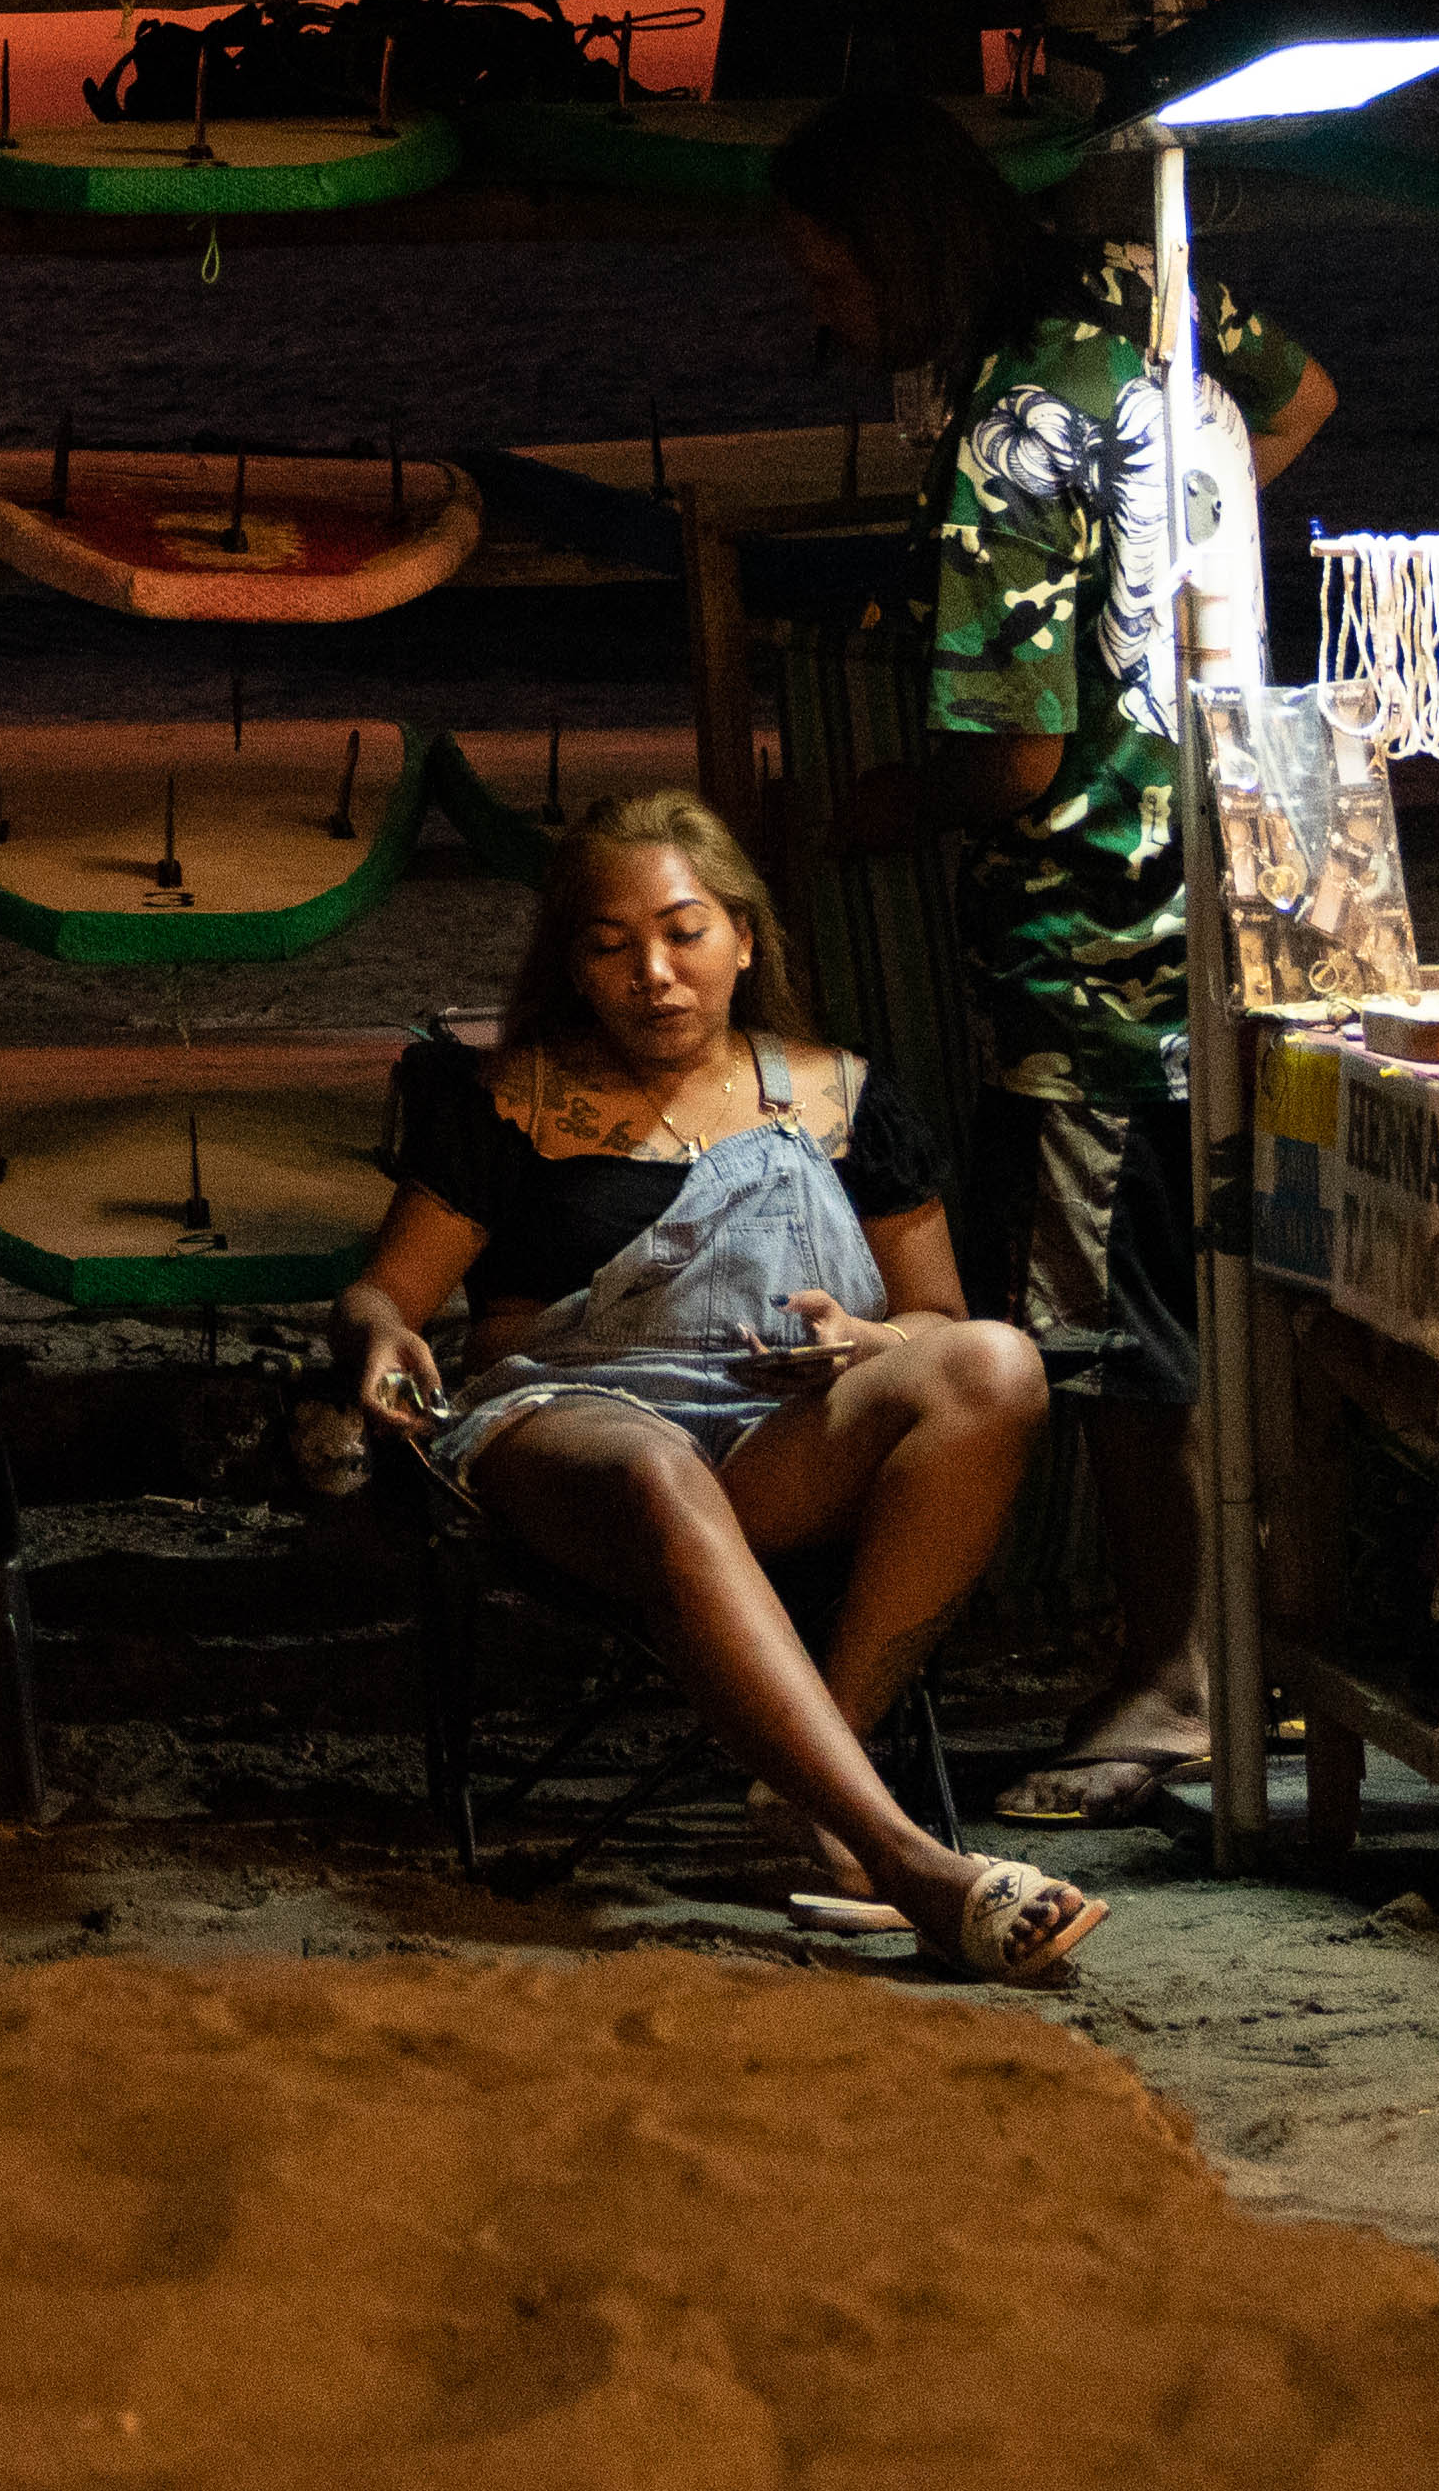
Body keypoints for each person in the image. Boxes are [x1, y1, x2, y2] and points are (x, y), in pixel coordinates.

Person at [765, 87, 1338, 1826]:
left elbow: (1007, 756)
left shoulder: (1004, 429)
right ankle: (1246, 1656)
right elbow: (1303, 399)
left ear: (897, 250)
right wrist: (1174, 564)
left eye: (827, 276)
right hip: (1250, 891)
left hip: (1090, 944)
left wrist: (876, 800)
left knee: (1103, 1330)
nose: (821, 316)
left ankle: (1167, 1678)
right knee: (1232, 1287)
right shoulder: (1139, 290)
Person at [336, 790, 1093, 1983]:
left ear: (743, 934)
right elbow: (383, 1293)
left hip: (773, 1438)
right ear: (571, 964)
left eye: (683, 931)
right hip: (574, 1429)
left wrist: (866, 1336)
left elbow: (935, 1317)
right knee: (653, 1462)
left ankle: (809, 1783)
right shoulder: (515, 1102)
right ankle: (905, 1858)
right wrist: (379, 1342)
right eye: (608, 943)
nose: (652, 971)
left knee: (995, 1362)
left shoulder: (841, 1095)